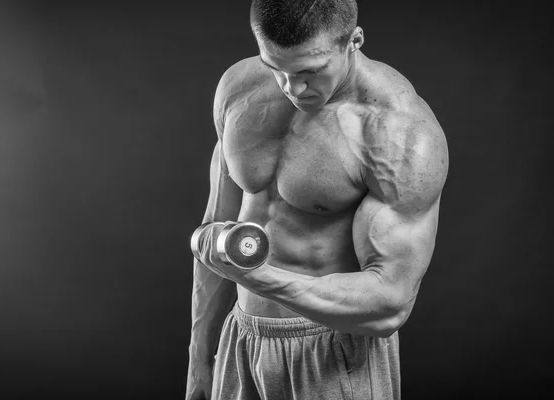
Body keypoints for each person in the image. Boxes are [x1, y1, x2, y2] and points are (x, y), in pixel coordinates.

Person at [186, 0, 448, 399]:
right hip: (241, 340)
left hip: (331, 354)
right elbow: (217, 232)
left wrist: (258, 278)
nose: (292, 88)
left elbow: (389, 302)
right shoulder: (239, 86)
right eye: (276, 68)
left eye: (310, 72)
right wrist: (200, 357)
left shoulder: (397, 132)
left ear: (353, 41)